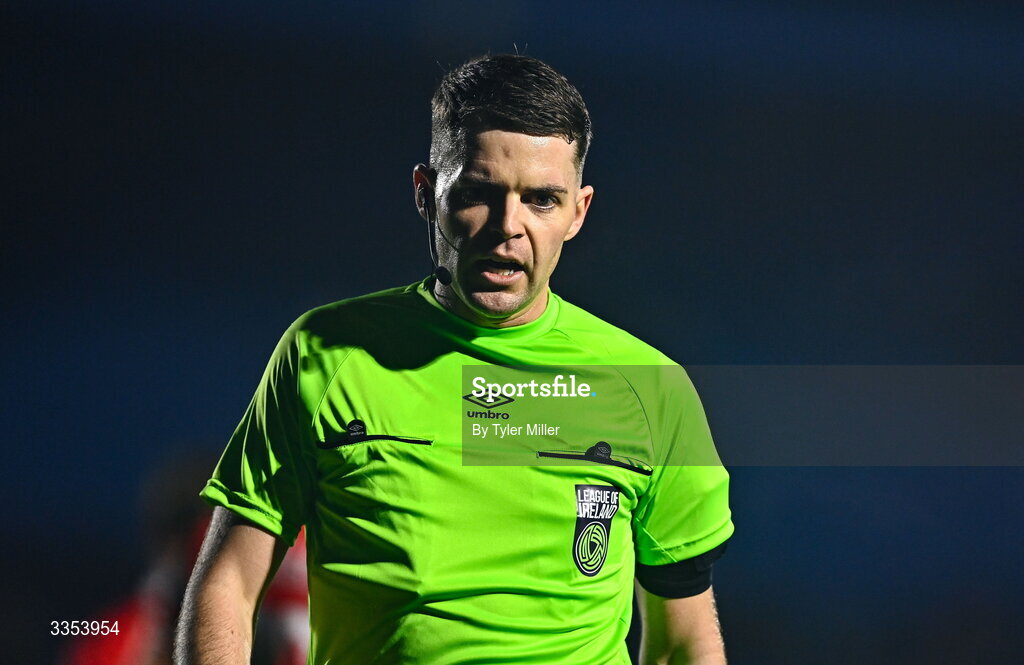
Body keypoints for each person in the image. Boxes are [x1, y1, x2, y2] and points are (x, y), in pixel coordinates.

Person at [174, 54, 734, 665]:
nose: (507, 226)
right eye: (478, 193)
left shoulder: (650, 388)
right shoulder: (327, 354)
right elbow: (228, 584)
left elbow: (685, 640)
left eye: (542, 200)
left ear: (579, 212)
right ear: (426, 194)